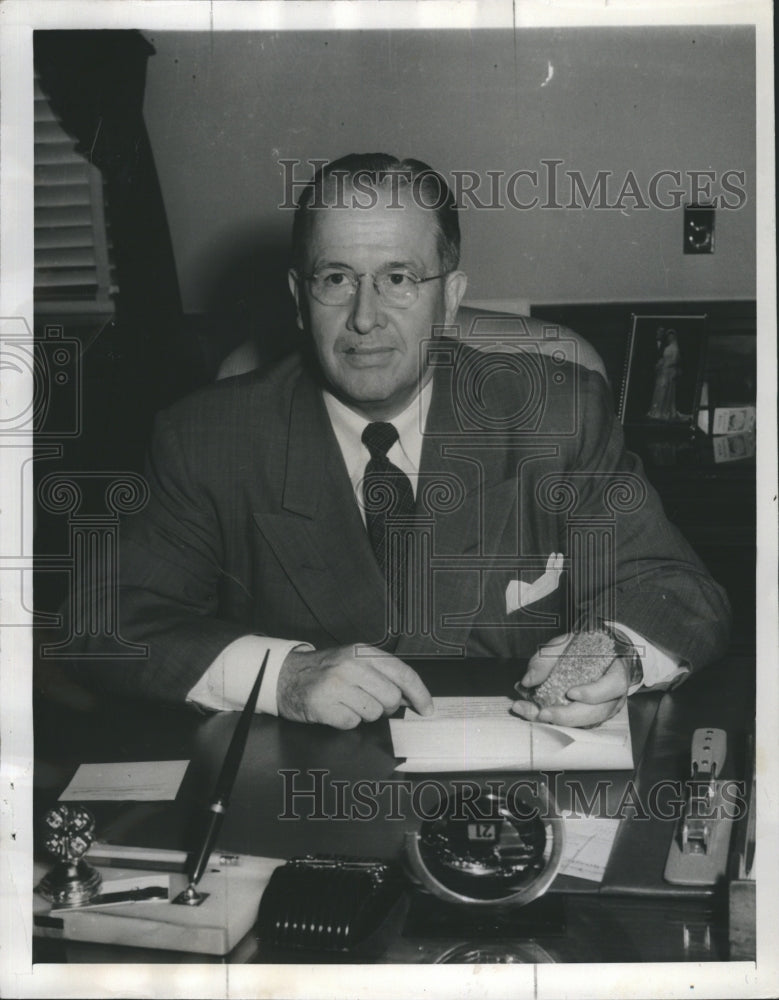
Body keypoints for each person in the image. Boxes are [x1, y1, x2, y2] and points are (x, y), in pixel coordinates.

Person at [71, 153, 730, 730]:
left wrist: (610, 650)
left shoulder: (554, 411)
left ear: (448, 300)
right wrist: (282, 678)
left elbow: (672, 587)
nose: (364, 317)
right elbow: (104, 626)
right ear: (300, 300)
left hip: (512, 787)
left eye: (398, 278)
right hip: (302, 791)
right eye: (336, 278)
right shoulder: (209, 437)